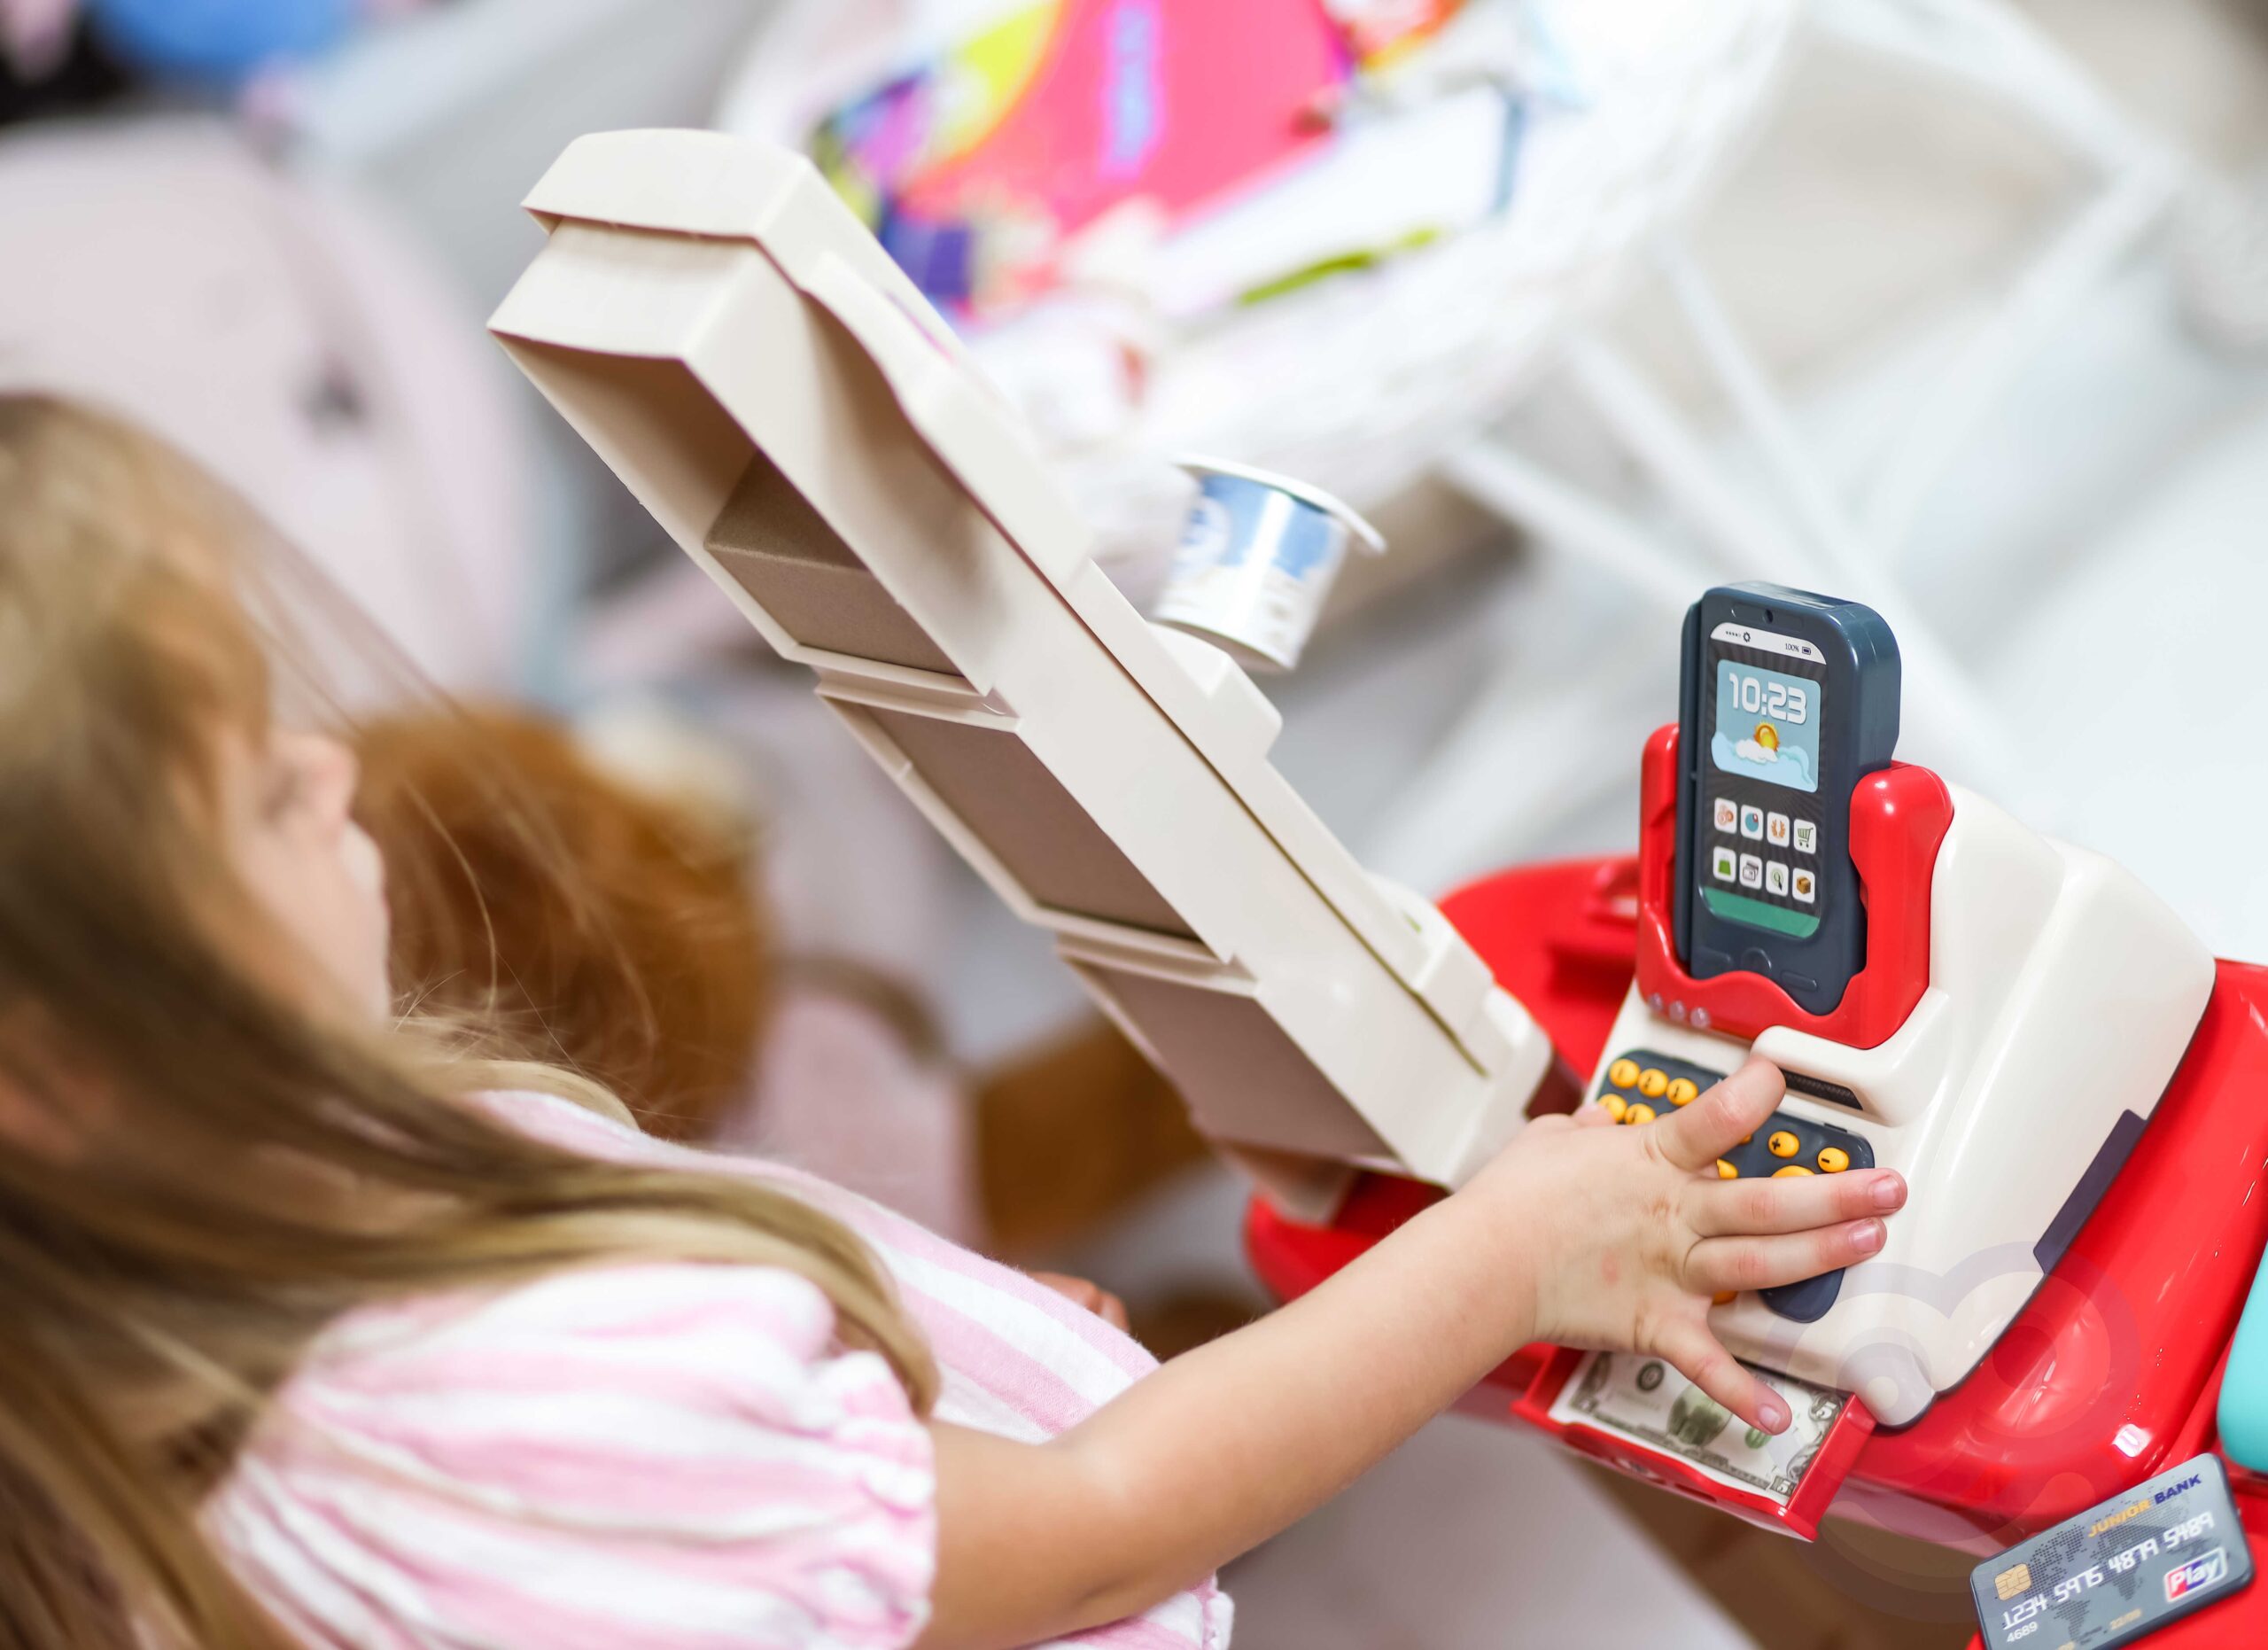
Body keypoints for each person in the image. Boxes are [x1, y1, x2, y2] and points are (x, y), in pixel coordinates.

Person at [0, 395, 1906, 1650]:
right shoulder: (495, 1418)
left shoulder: (250, 1227)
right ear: (58, 1074)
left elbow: (716, 1381)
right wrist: (1511, 1253)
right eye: (257, 793)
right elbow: (1093, 1527)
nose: (333, 769)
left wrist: (938, 1358)